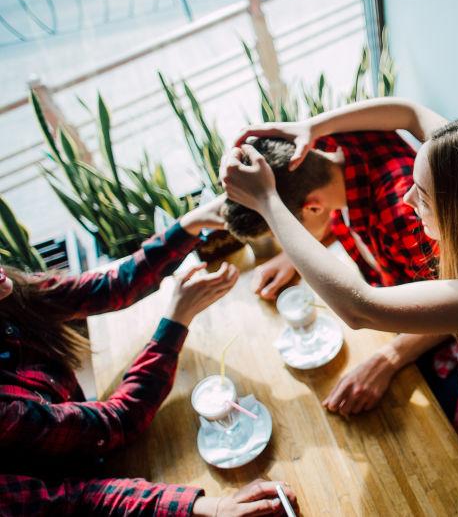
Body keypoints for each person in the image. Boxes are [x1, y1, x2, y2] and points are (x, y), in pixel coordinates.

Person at [222, 98, 458, 516]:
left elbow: (361, 310)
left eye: (424, 196)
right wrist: (310, 127)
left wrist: (269, 201)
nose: (408, 200)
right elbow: (410, 113)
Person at [0, 197, 299, 516]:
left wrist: (190, 224)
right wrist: (176, 320)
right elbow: (115, 427)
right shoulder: (7, 411)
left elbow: (106, 287)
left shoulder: (10, 294)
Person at [223, 129, 458, 420]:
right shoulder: (337, 165)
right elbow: (333, 218)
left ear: (312, 206)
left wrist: (390, 357)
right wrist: (293, 257)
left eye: (282, 233)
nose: (287, 241)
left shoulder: (406, 218)